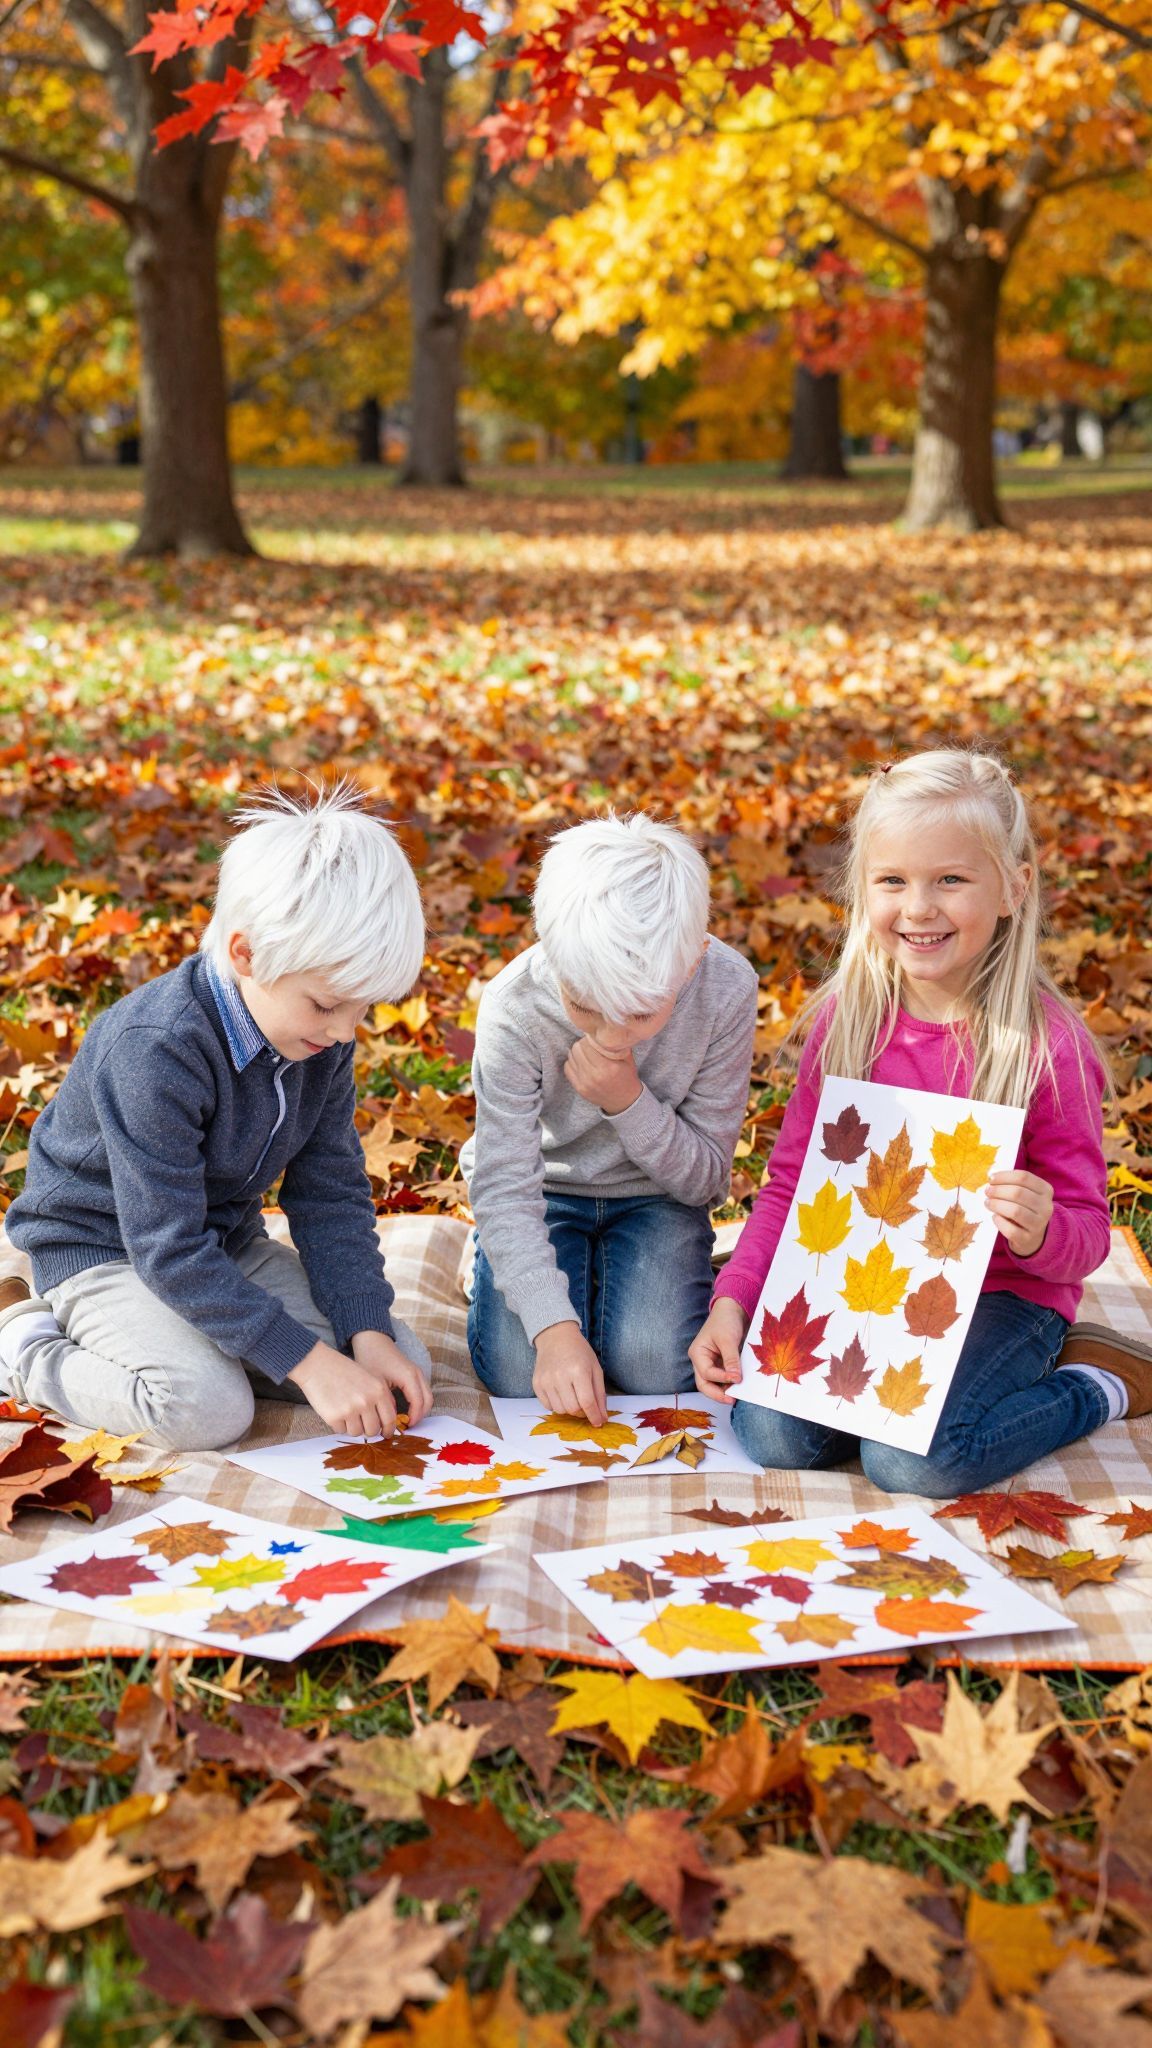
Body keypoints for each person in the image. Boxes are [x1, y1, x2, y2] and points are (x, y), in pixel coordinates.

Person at [690, 748, 1151, 1495]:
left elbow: (1087, 1232)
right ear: (862, 889)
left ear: (1012, 889)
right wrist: (735, 1301)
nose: (919, 908)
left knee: (914, 1462)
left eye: (951, 880)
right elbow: (788, 1188)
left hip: (1005, 1296)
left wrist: (1039, 1231)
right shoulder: (851, 1023)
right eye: (894, 881)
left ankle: (1095, 1384)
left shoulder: (1044, 1047)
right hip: (861, 1281)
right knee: (771, 1433)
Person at [0, 784, 433, 1451]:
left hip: (223, 1245)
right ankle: (23, 1344)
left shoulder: (317, 1040)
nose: (347, 1032)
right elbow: (164, 1247)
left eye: (363, 1010)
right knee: (205, 1409)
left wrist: (365, 1330)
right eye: (326, 1006)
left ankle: (216, 1336)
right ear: (246, 955)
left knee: (397, 1365)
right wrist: (307, 1364)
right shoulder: (156, 1048)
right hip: (106, 1251)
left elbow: (330, 1194)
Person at [463, 813, 758, 1423]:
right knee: (520, 1375)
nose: (610, 1035)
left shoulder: (725, 988)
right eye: (584, 1006)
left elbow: (705, 1181)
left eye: (643, 1015)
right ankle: (501, 1265)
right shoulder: (515, 1003)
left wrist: (627, 1100)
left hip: (658, 1199)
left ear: (695, 957)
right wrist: (552, 1330)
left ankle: (582, 1289)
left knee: (657, 1368)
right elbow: (505, 1185)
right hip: (543, 1192)